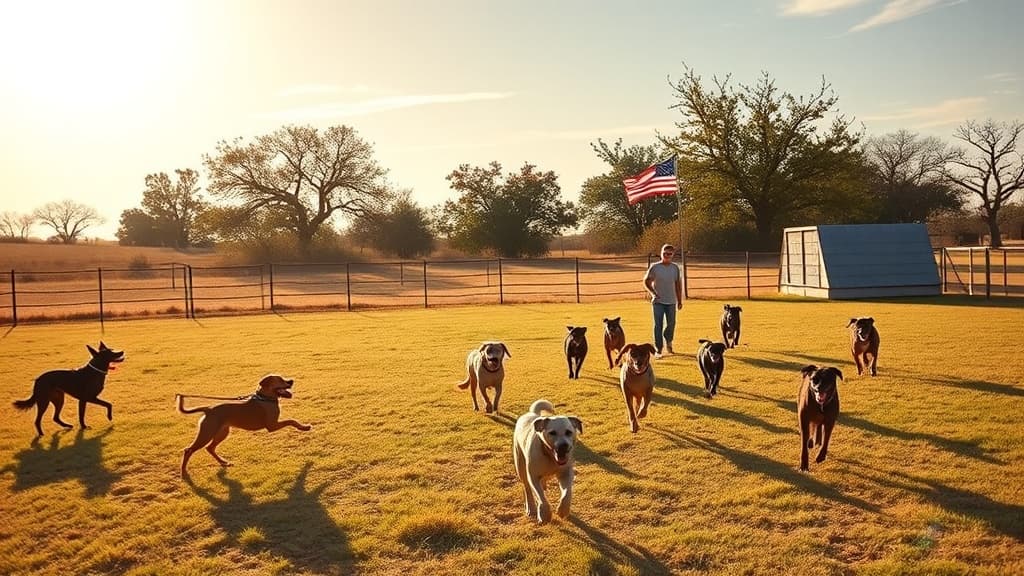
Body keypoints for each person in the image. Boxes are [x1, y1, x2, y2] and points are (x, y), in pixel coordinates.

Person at [643, 244, 683, 358]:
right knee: (658, 325)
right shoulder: (655, 267)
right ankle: (658, 348)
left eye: (669, 254)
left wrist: (679, 300)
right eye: (664, 253)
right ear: (661, 253)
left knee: (671, 323)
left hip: (671, 301)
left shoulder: (675, 268)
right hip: (658, 302)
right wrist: (653, 293)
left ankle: (668, 341)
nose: (666, 256)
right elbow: (646, 281)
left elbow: (677, 285)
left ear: (673, 255)